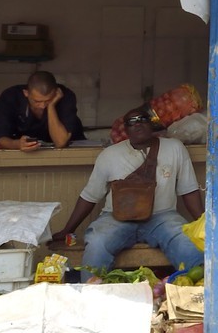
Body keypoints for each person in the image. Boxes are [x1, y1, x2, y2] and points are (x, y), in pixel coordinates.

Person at [51, 106, 205, 275]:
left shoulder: (175, 148)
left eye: (142, 120)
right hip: (116, 217)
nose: (137, 124)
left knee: (188, 245)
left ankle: (199, 295)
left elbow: (188, 190)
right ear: (126, 130)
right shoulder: (109, 155)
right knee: (97, 242)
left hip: (162, 216)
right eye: (132, 122)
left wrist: (205, 224)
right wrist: (68, 229)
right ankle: (91, 291)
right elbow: (90, 196)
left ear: (152, 124)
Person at [0, 70, 84, 150]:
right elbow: (1, 137)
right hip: (24, 152)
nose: (42, 106)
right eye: (37, 101)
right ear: (26, 93)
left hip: (69, 151)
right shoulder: (11, 97)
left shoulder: (66, 96)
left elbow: (60, 142)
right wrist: (17, 144)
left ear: (56, 93)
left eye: (48, 100)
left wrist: (51, 106)